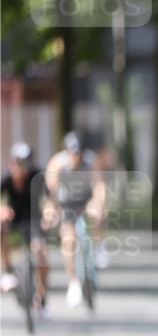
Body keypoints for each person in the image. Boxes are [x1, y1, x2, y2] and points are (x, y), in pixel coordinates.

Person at [44, 132, 106, 307]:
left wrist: (99, 203)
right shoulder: (58, 163)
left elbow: (99, 185)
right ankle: (73, 282)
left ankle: (98, 246)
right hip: (67, 204)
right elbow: (51, 190)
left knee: (96, 214)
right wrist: (51, 210)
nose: (76, 157)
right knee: (68, 241)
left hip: (86, 200)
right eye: (73, 153)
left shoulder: (91, 161)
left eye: (78, 153)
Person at [1, 142, 49, 310]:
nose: (20, 168)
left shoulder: (37, 177)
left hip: (34, 220)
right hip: (14, 219)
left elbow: (49, 199)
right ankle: (8, 271)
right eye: (17, 162)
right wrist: (3, 209)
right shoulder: (6, 180)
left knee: (41, 252)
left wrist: (49, 213)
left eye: (25, 163)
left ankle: (42, 296)